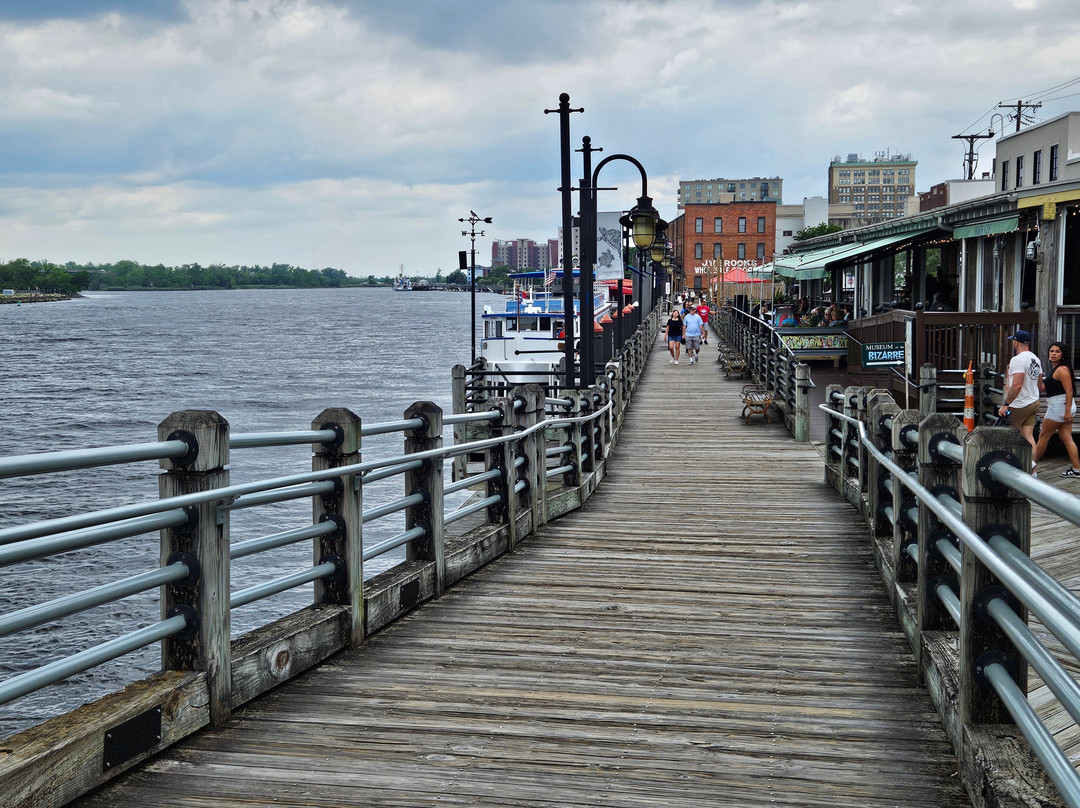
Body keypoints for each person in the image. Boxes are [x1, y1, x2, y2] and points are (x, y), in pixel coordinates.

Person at [1034, 341, 1080, 477]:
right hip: (1060, 406)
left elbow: (1069, 390)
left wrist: (1066, 412)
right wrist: (1039, 375)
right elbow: (1041, 388)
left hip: (1060, 406)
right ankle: (1077, 470)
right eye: (1052, 351)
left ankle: (1030, 465)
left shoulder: (1061, 370)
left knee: (1043, 436)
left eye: (1057, 352)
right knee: (1066, 437)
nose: (1053, 354)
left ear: (1063, 354)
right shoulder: (1054, 369)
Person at [998, 330, 1044, 464]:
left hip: (1019, 403)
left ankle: (1011, 465)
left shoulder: (1017, 360)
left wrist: (1006, 403)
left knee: (1010, 436)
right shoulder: (1036, 359)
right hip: (1033, 400)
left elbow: (1017, 385)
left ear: (1016, 342)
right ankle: (1032, 468)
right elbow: (1039, 384)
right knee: (1028, 436)